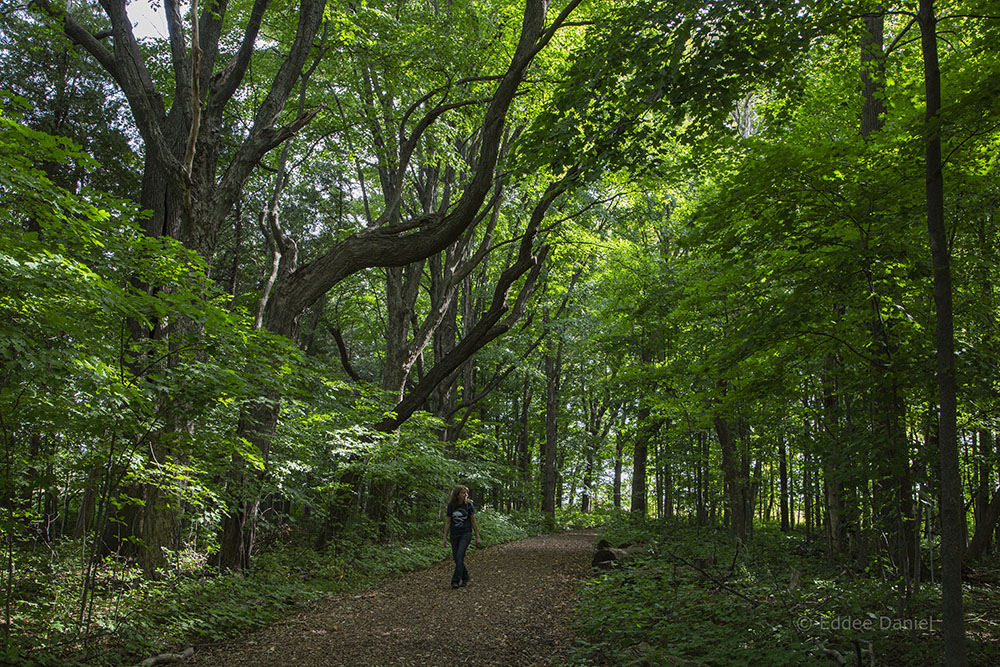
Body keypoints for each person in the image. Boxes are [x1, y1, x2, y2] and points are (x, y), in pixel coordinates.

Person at [442, 485, 480, 588]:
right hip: (454, 534)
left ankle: (455, 580)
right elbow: (448, 522)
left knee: (459, 556)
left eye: (466, 493)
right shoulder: (451, 506)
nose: (465, 495)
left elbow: (473, 521)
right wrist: (444, 537)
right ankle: (465, 576)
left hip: (466, 534)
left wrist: (477, 536)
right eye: (463, 493)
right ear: (457, 494)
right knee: (456, 558)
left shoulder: (469, 505)